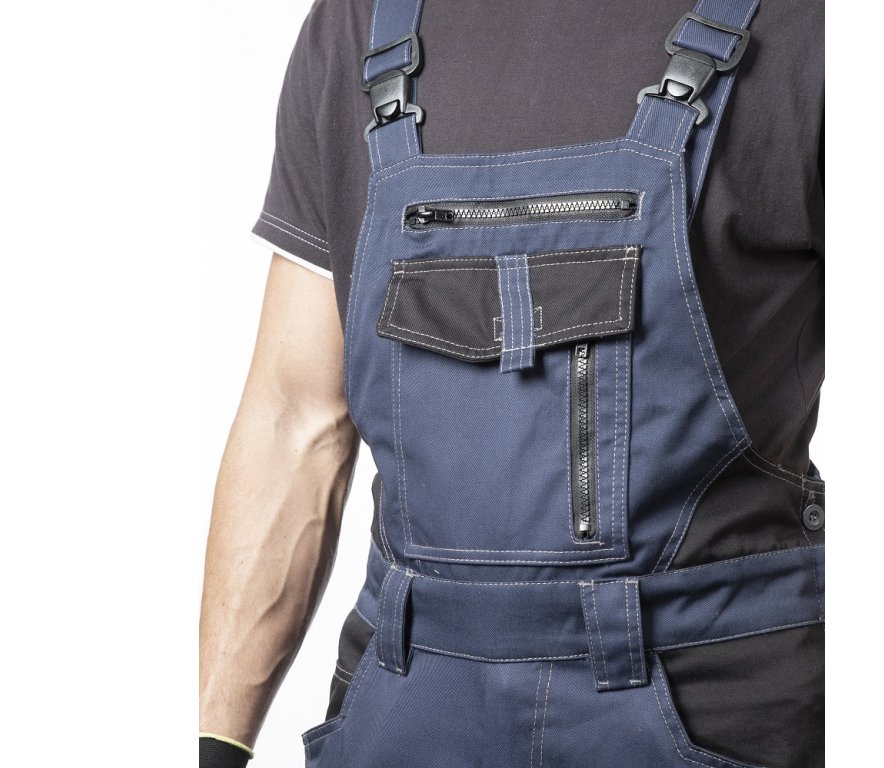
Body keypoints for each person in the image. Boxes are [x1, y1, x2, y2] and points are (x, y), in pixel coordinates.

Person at [199, 0, 824, 766]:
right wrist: (215, 744)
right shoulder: (359, 23)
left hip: (704, 715)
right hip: (405, 710)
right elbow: (293, 419)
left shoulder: (807, 28)